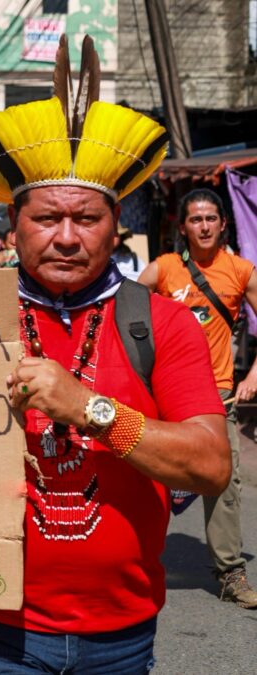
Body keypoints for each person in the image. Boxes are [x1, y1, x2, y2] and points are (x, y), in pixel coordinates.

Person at [0, 37, 229, 672]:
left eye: (88, 219)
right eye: (48, 218)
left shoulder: (159, 322)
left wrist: (91, 409)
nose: (68, 237)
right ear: (14, 225)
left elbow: (212, 465)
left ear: (116, 227)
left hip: (122, 633)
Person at [137, 188, 257, 609]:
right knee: (144, 471)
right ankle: (127, 559)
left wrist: (254, 374)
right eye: (194, 219)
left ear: (223, 224)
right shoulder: (166, 268)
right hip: (163, 391)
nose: (203, 226)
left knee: (222, 480)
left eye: (210, 218)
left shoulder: (241, 270)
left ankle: (229, 573)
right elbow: (124, 305)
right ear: (183, 227)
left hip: (216, 394)